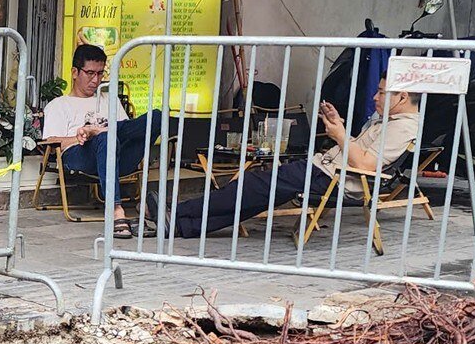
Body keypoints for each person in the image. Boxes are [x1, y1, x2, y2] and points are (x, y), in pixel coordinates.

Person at [164, 78, 420, 238]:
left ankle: (176, 213)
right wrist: (337, 125)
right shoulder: (386, 120)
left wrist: (340, 135)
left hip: (337, 180)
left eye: (382, 92)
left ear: (402, 97)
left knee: (253, 185)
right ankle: (185, 226)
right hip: (325, 169)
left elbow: (365, 165)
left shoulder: (403, 127)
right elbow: (360, 152)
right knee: (260, 194)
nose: (375, 97)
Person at [42, 43, 165, 237]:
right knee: (106, 137)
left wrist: (98, 131)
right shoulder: (59, 105)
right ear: (75, 72)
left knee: (158, 116)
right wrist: (81, 136)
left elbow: (128, 131)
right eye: (90, 73)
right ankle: (116, 209)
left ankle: (99, 132)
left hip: (117, 155)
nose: (95, 79)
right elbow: (51, 141)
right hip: (81, 155)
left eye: (100, 74)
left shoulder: (110, 100)